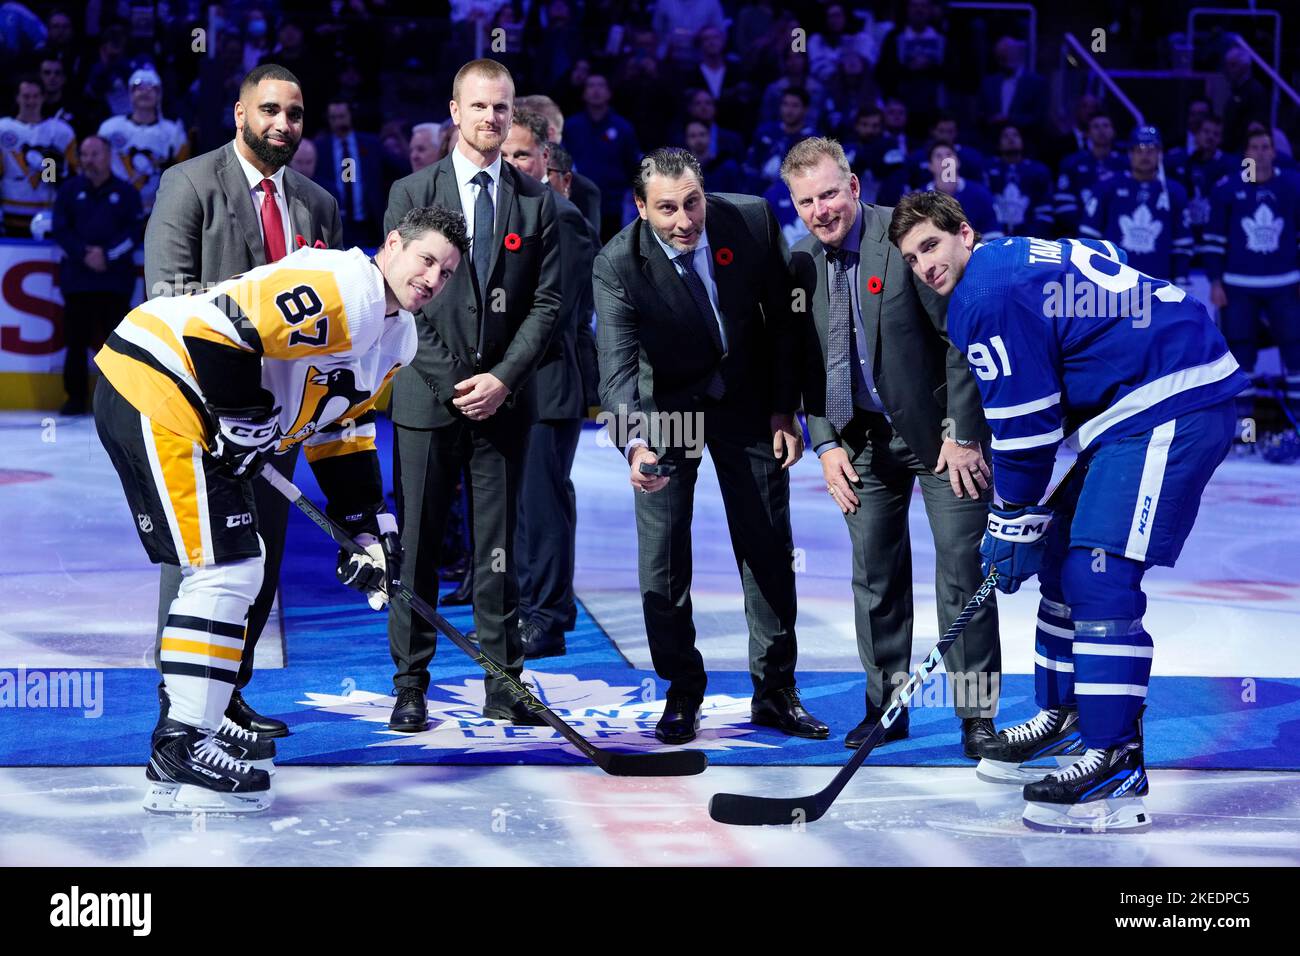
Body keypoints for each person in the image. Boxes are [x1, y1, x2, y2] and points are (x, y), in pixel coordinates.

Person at [891, 189, 1247, 832]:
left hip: (1174, 396)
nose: (925, 266)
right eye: (913, 259)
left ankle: (1115, 757)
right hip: (1136, 401)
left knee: (1099, 573)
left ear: (963, 234)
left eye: (932, 246)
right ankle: (1067, 717)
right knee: (1058, 558)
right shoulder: (1004, 262)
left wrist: (1010, 516)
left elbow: (1027, 432)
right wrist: (1025, 523)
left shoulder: (983, 296)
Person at [94, 204, 466, 813]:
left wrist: (367, 527)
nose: (432, 278)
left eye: (446, 272)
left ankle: (199, 723)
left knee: (244, 564)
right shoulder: (340, 284)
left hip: (192, 408)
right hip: (158, 383)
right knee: (223, 569)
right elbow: (216, 331)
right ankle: (181, 742)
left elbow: (339, 428)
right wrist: (244, 415)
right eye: (425, 259)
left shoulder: (399, 335)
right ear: (392, 243)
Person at [594, 147, 828, 744]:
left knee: (768, 545)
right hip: (667, 409)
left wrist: (784, 407)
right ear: (642, 209)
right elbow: (617, 374)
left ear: (706, 193)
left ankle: (775, 692)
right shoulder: (617, 263)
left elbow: (784, 319)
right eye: (667, 208)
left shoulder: (749, 218)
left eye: (692, 202)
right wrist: (634, 447)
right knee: (664, 559)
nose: (684, 220)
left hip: (748, 401)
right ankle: (681, 689)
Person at [780, 137, 1000, 757]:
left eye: (829, 193)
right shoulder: (797, 262)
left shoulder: (906, 241)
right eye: (806, 201)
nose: (821, 210)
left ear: (852, 187)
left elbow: (962, 337)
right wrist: (823, 444)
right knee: (874, 575)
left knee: (963, 569)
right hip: (857, 440)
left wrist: (961, 433)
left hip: (939, 437)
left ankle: (976, 715)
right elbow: (803, 366)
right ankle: (887, 707)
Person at [144, 63, 343, 739]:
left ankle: (228, 696)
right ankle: (179, 710)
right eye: (269, 111)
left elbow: (330, 314)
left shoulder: (318, 202)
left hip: (280, 420)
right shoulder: (189, 182)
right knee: (199, 563)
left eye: (294, 114)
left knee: (263, 562)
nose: (282, 124)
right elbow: (168, 298)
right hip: (197, 414)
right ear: (239, 113)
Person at [382, 58, 562, 733]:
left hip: (503, 403)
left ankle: (503, 683)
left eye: (503, 108)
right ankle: (410, 684)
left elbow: (547, 307)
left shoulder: (537, 200)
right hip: (428, 399)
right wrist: (457, 381)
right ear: (454, 113)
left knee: (498, 550)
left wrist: (502, 379)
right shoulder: (411, 190)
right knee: (420, 548)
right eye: (480, 106)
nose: (492, 118)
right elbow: (405, 296)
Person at [501, 109, 598, 657]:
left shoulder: (560, 215)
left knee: (542, 506)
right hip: (516, 385)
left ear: (545, 159)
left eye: (522, 154)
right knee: (520, 507)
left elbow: (558, 311)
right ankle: (528, 612)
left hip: (548, 383)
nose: (513, 163)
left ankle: (547, 619)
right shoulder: (509, 214)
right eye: (506, 154)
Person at [1202, 126, 1300, 430]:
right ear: (1245, 154)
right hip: (1238, 285)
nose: (1260, 152)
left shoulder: (1292, 187)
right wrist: (1216, 281)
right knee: (1241, 356)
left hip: (1285, 283)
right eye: (1254, 147)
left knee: (1296, 351)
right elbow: (1213, 240)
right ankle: (1244, 434)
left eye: (1265, 147)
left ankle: (1297, 429)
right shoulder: (1228, 189)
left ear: (1274, 151)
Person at [50, 134, 141, 416]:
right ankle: (75, 397)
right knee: (75, 341)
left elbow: (135, 231)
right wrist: (84, 254)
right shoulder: (68, 190)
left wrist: (108, 255)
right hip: (78, 280)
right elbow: (60, 230)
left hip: (115, 281)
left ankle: (121, 400)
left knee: (118, 344)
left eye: (94, 154)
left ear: (108, 156)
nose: (88, 160)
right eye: (84, 154)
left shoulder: (127, 192)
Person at [1080, 127, 1192, 286]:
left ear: (1160, 154)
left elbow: (1182, 243)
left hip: (1158, 284)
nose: (1144, 156)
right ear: (1130, 153)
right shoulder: (1107, 187)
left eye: (1151, 150)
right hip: (1113, 282)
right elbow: (1089, 235)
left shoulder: (1175, 192)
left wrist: (1180, 281)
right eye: (1139, 150)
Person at [97, 67, 189, 215]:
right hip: (114, 208)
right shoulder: (109, 128)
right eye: (139, 88)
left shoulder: (173, 132)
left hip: (159, 210)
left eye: (151, 88)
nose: (145, 92)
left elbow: (183, 175)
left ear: (159, 94)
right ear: (130, 93)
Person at [562, 74, 641, 239]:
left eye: (601, 86)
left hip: (614, 205)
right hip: (579, 203)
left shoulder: (623, 127)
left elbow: (633, 166)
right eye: (591, 86)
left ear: (609, 93)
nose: (596, 90)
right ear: (584, 94)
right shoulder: (571, 126)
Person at [0, 74, 75, 236]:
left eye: (35, 96)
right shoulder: (3, 129)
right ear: (17, 98)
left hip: (48, 216)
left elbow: (66, 180)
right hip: (9, 214)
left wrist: (56, 169)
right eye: (26, 96)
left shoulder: (61, 132)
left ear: (43, 98)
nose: (31, 101)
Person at [313, 99, 384, 248]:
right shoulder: (319, 147)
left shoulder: (371, 143)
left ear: (351, 115)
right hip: (336, 223)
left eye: (342, 116)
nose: (339, 122)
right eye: (333, 118)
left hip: (368, 223)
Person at [1054, 112, 1127, 236]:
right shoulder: (1072, 163)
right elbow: (1064, 206)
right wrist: (1086, 229)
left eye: (1106, 125)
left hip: (1119, 231)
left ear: (1113, 132)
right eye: (1096, 126)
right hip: (1079, 231)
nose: (1101, 130)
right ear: (1087, 133)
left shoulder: (1125, 164)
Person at [984, 122, 1054, 237]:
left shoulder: (1038, 170)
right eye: (1005, 136)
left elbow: (1044, 210)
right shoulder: (987, 169)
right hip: (995, 234)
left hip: (1031, 236)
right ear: (998, 143)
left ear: (1023, 141)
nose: (1011, 139)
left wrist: (1032, 236)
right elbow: (984, 205)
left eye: (1015, 135)